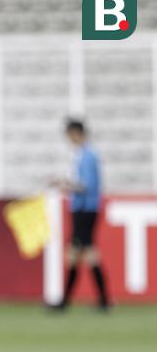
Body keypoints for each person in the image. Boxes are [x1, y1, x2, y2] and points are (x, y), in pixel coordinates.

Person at [53, 118, 109, 310]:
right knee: (78, 254)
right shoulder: (84, 155)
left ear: (76, 133)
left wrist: (63, 184)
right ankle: (98, 301)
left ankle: (98, 301)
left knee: (84, 253)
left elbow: (87, 186)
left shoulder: (88, 156)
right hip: (83, 209)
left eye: (69, 135)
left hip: (85, 210)